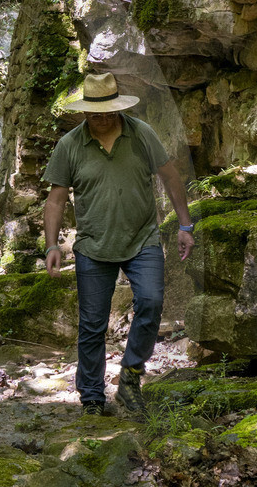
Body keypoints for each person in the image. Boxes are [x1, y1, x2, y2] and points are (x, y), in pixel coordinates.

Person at [42, 68, 196, 417]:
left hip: (143, 237)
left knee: (153, 302)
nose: (104, 118)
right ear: (84, 112)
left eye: (110, 110)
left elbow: (171, 178)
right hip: (94, 246)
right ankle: (93, 397)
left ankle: (130, 378)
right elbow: (56, 199)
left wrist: (185, 225)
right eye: (97, 112)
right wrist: (52, 246)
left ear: (118, 107)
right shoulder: (70, 146)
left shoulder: (141, 134)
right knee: (93, 325)